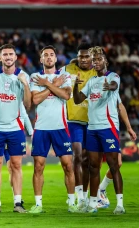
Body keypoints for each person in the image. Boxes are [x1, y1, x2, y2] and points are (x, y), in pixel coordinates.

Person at [73, 46, 124, 214]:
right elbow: (78, 99)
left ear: (105, 61)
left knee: (113, 165)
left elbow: (115, 85)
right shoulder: (92, 81)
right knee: (93, 167)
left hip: (108, 128)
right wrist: (75, 86)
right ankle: (93, 203)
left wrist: (110, 87)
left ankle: (120, 204)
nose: (95, 62)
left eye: (98, 59)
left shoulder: (113, 76)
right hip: (92, 129)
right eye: (93, 60)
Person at [29, 45, 79, 213]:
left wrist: (46, 84)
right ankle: (38, 204)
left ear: (56, 59)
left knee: (68, 166)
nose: (49, 57)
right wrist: (53, 85)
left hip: (60, 127)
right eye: (45, 55)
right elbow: (35, 100)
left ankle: (72, 202)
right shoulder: (35, 76)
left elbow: (66, 95)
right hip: (41, 128)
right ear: (41, 59)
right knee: (38, 166)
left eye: (51, 55)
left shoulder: (65, 76)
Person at [0, 44, 31, 213]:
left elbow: (28, 104)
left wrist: (25, 85)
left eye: (11, 54)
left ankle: (18, 203)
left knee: (16, 165)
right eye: (4, 54)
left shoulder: (22, 76)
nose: (8, 57)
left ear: (15, 57)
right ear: (0, 58)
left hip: (15, 128)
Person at [59, 42, 97, 206]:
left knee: (89, 161)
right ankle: (80, 197)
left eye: (87, 56)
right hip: (73, 121)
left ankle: (88, 194)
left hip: (93, 122)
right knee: (78, 156)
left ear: (92, 57)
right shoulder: (68, 70)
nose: (83, 59)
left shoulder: (98, 72)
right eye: (80, 56)